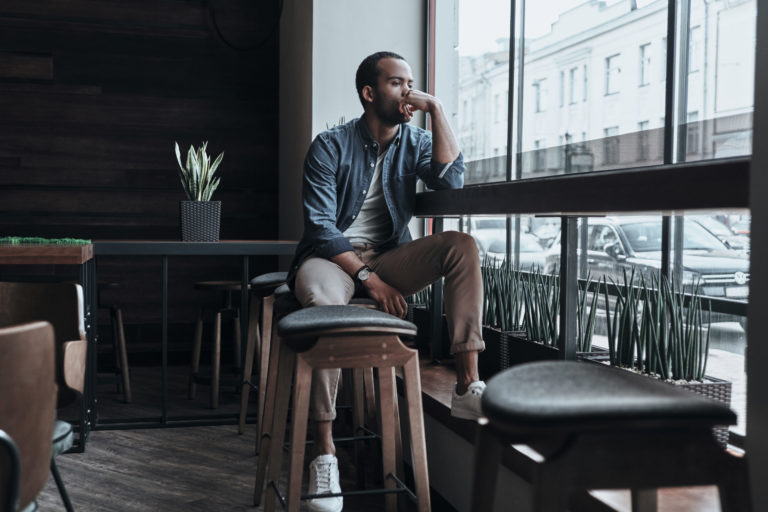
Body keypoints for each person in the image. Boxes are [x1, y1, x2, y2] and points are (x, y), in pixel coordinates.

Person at [288, 50, 485, 512]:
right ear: (370, 92)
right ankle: (326, 454)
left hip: (389, 258)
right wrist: (369, 279)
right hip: (330, 259)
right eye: (398, 84)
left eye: (411, 83)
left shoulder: (415, 141)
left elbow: (451, 183)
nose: (408, 93)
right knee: (320, 300)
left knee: (462, 246)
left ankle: (467, 387)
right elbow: (320, 226)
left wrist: (436, 108)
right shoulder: (329, 145)